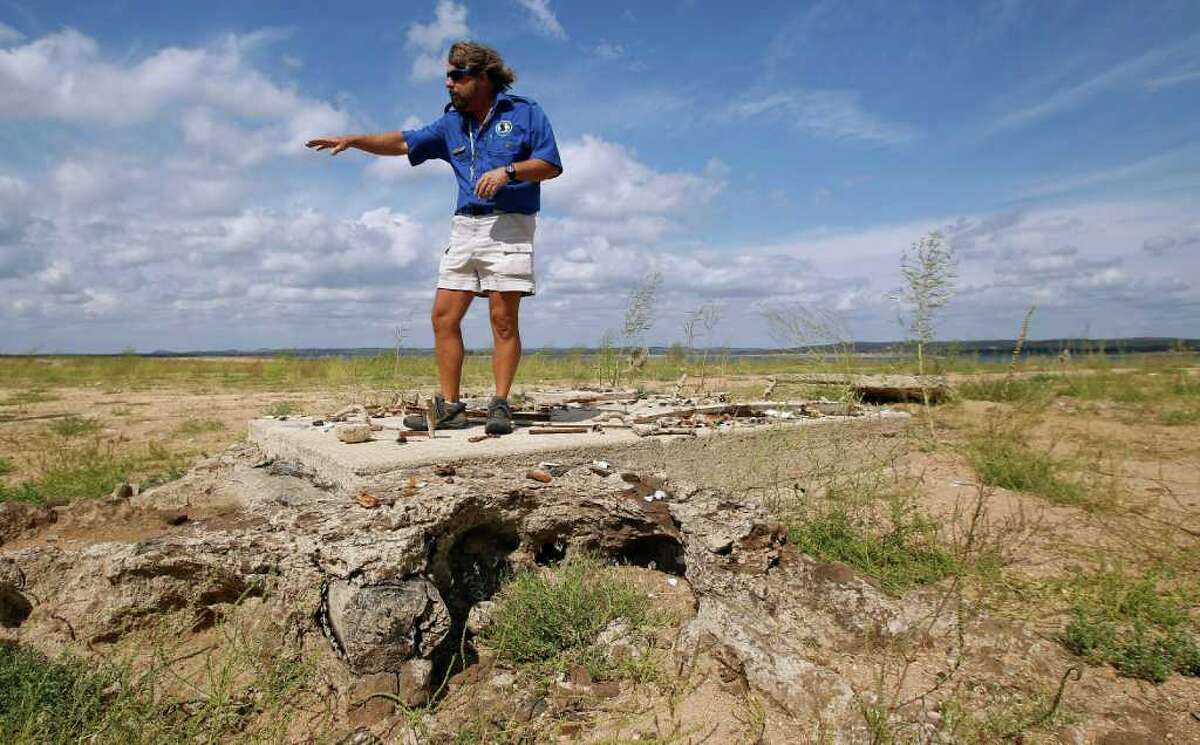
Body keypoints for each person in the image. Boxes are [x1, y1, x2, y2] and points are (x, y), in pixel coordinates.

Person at [305, 41, 562, 435]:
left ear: (483, 77)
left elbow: (550, 165)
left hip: (510, 223)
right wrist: (355, 140)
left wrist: (508, 172)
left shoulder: (526, 113)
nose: (449, 84)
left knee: (503, 319)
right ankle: (451, 408)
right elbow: (404, 142)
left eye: (457, 76)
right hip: (465, 226)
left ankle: (500, 404)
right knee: (443, 316)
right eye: (447, 77)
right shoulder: (450, 125)